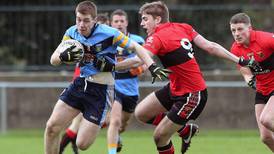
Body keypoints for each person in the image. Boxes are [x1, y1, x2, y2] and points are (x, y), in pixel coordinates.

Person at [113, 1, 262, 154]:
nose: (142, 23)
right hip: (175, 88)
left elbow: (139, 60)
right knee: (141, 113)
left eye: (145, 19)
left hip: (192, 95)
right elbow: (210, 46)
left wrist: (109, 67)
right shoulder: (183, 27)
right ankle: (184, 130)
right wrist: (239, 59)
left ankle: (181, 131)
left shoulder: (157, 37)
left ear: (157, 20)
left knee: (159, 136)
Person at [44, 1, 168, 154]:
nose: (81, 24)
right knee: (51, 127)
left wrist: (151, 65)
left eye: (86, 20)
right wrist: (63, 56)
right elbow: (53, 59)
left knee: (82, 144)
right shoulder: (72, 32)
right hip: (80, 84)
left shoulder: (110, 33)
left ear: (94, 20)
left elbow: (136, 47)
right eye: (78, 19)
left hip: (101, 92)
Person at [58, 13, 111, 154]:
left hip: (99, 87)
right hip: (85, 86)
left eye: (107, 25)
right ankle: (62, 148)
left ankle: (73, 145)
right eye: (102, 24)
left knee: (83, 125)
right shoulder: (83, 42)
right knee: (75, 125)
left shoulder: (107, 42)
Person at [229, 13, 274, 152]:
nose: (236, 34)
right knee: (265, 137)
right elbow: (246, 73)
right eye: (233, 30)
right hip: (262, 90)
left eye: (240, 29)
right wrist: (250, 82)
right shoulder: (235, 49)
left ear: (250, 28)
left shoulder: (266, 39)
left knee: (266, 119)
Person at [107, 9, 145, 154]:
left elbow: (146, 62)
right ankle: (112, 152)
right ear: (111, 23)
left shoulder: (138, 41)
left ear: (127, 23)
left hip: (131, 88)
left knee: (123, 125)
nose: (119, 24)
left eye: (122, 21)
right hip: (113, 85)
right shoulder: (106, 41)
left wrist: (141, 68)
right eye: (116, 21)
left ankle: (117, 137)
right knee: (115, 121)